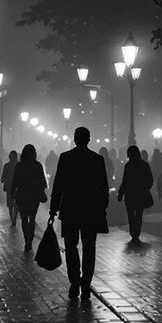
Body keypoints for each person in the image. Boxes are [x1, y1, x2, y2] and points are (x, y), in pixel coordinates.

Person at [49, 126, 110, 301]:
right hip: (91, 209)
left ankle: (74, 281)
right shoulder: (97, 159)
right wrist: (103, 206)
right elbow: (103, 186)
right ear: (88, 139)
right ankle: (86, 283)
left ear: (74, 139)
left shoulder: (66, 158)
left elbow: (58, 185)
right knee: (89, 247)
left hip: (70, 208)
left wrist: (54, 208)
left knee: (70, 247)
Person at [10, 143, 47, 252]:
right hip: (34, 196)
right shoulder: (37, 166)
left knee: (24, 219)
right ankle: (29, 240)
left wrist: (12, 192)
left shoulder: (20, 166)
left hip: (22, 196)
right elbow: (42, 182)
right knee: (32, 219)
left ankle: (27, 240)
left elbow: (15, 181)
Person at [116, 144, 154, 242]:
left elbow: (125, 181)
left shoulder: (128, 166)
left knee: (130, 213)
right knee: (139, 213)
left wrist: (121, 193)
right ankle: (136, 231)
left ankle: (133, 231)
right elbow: (150, 179)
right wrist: (145, 189)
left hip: (130, 194)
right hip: (140, 194)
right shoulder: (144, 165)